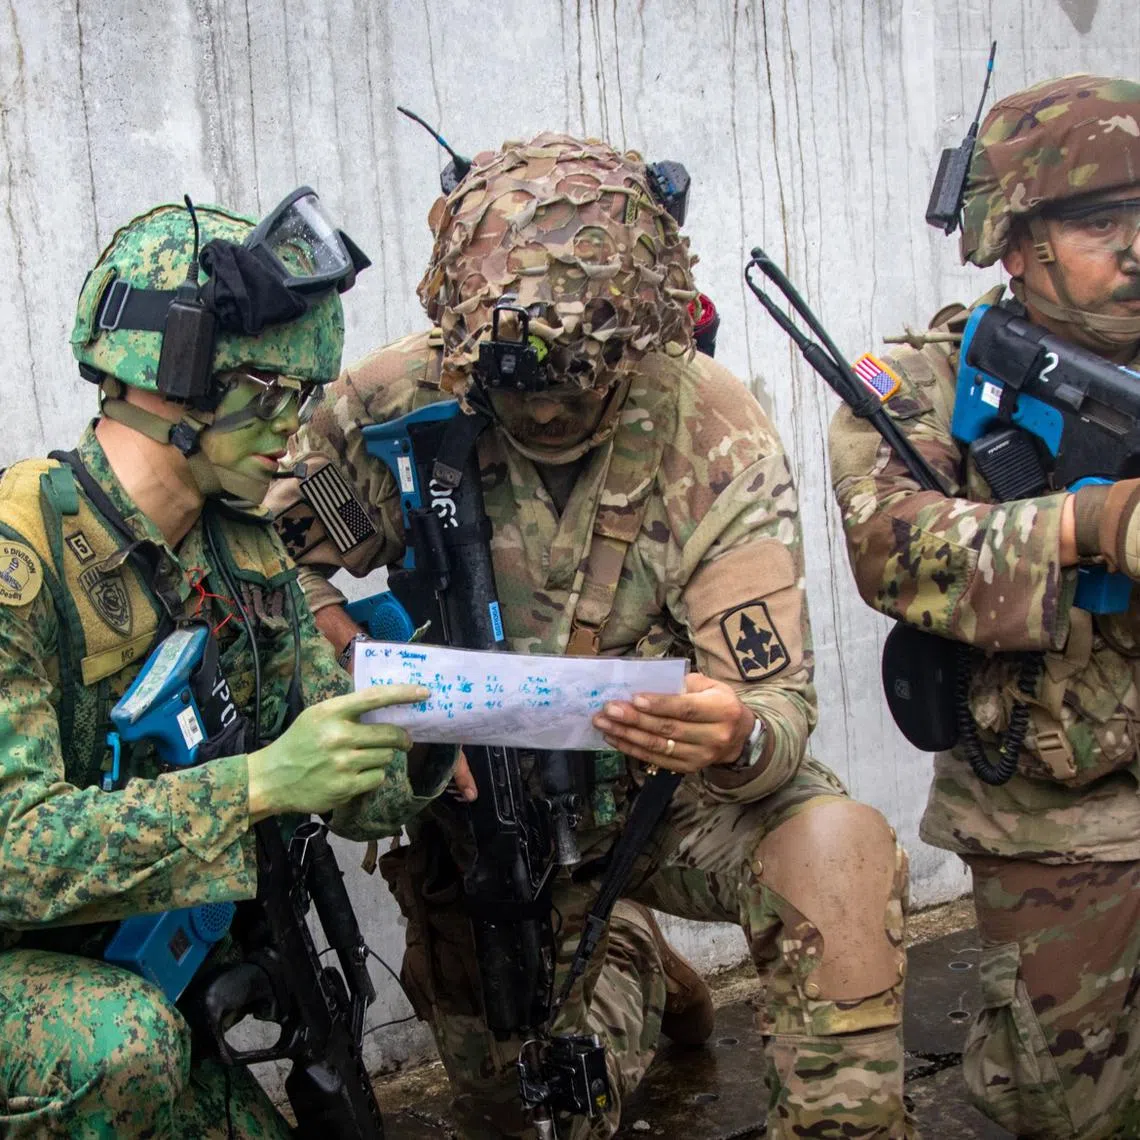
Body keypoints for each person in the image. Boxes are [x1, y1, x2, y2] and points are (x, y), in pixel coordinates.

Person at [266, 133, 912, 1140]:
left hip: (668, 799)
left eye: (580, 378)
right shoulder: (395, 397)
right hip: (483, 811)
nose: (547, 406)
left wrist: (733, 734)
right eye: (517, 384)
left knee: (837, 855)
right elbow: (263, 563)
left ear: (642, 337)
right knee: (528, 1108)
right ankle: (639, 965)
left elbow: (778, 709)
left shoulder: (712, 430)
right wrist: (337, 638)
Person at [0, 193, 452, 1138]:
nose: (294, 429)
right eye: (268, 395)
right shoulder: (22, 557)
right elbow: (14, 854)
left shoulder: (242, 553)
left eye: (305, 398)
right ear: (169, 380)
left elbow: (344, 782)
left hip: (136, 976)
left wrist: (424, 733)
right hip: (49, 989)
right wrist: (256, 785)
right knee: (120, 1050)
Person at [829, 75, 1140, 1140]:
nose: (1137, 250)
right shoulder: (916, 382)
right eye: (1102, 224)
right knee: (1070, 1111)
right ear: (1015, 242)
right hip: (1057, 808)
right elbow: (891, 548)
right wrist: (1089, 524)